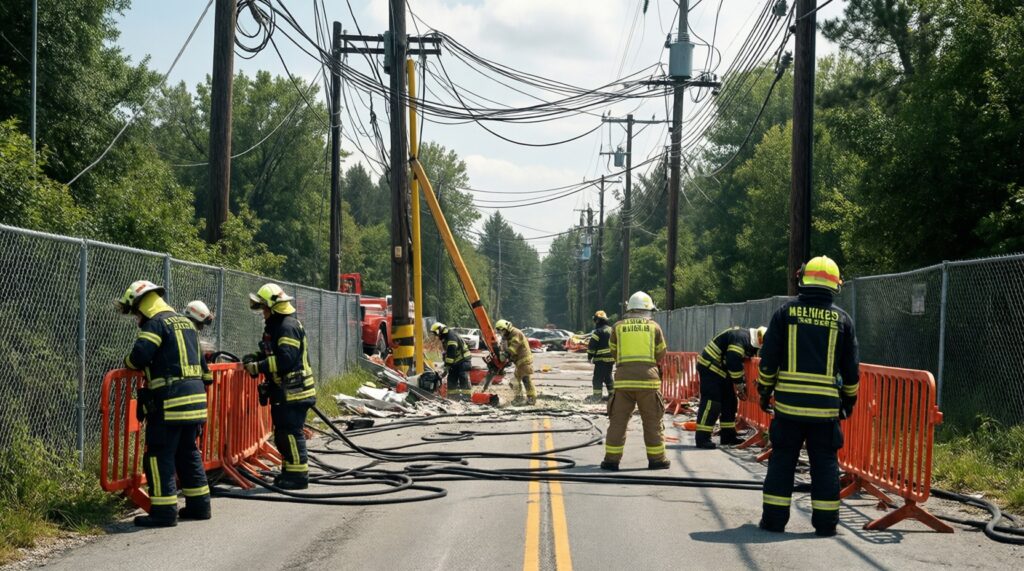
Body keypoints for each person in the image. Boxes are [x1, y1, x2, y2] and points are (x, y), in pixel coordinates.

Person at [757, 255, 859, 537]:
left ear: (803, 279)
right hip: (825, 411)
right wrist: (848, 402)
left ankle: (774, 522)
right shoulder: (843, 320)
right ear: (835, 285)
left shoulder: (785, 313)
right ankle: (826, 525)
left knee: (782, 461)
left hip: (788, 407)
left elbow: (769, 361)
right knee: (825, 464)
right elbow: (851, 370)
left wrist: (764, 392)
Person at [118, 280, 212, 527]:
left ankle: (164, 512)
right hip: (196, 402)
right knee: (188, 453)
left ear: (143, 306)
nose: (137, 319)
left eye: (136, 313)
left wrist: (127, 362)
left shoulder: (155, 324)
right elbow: (207, 373)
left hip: (170, 403)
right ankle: (200, 506)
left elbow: (138, 357)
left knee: (159, 455)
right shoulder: (187, 324)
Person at [243, 283, 317, 490]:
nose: (263, 313)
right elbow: (272, 352)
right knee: (283, 435)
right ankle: (289, 473)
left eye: (265, 308)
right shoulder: (278, 326)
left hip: (295, 392)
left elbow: (285, 359)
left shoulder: (287, 327)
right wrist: (256, 357)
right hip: (286, 392)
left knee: (290, 433)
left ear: (274, 308)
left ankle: (298, 476)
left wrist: (258, 367)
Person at [601, 291, 670, 471]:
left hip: (623, 382)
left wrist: (626, 365)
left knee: (618, 422)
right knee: (652, 422)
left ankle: (611, 461)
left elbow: (613, 351)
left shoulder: (618, 327)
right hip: (648, 383)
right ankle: (657, 460)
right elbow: (661, 352)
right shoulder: (654, 327)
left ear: (629, 308)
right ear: (648, 310)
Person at [694, 326, 766, 449]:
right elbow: (733, 360)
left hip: (722, 371)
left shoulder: (744, 338)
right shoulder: (741, 339)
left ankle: (728, 436)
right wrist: (740, 385)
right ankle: (702, 438)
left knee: (730, 402)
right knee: (712, 403)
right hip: (710, 368)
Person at [495, 319, 536, 406]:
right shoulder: (507, 335)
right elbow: (505, 347)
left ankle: (529, 399)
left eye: (501, 331)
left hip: (524, 360)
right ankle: (521, 398)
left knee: (524, 380)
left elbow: (513, 347)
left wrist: (505, 355)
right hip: (519, 361)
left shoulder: (516, 333)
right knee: (515, 382)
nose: (501, 333)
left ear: (506, 328)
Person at [430, 322, 472, 401]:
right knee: (451, 379)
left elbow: (451, 354)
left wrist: (446, 367)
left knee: (463, 377)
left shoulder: (451, 337)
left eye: (436, 334)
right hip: (455, 362)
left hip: (463, 361)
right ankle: (452, 398)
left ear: (439, 331)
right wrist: (445, 364)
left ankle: (467, 398)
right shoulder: (445, 337)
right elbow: (447, 353)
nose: (436, 336)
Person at [586, 310, 615, 402]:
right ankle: (613, 395)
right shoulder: (612, 330)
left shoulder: (598, 332)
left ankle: (597, 396)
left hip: (601, 359)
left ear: (597, 320)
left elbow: (592, 346)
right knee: (608, 377)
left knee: (597, 378)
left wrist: (589, 356)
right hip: (611, 359)